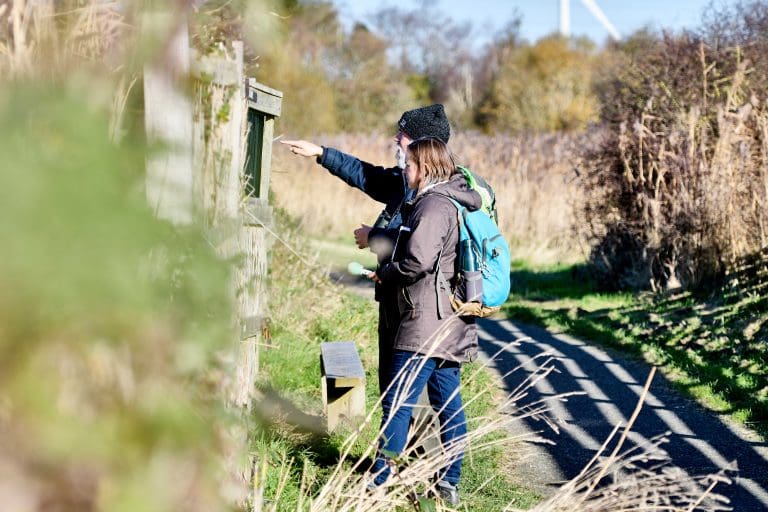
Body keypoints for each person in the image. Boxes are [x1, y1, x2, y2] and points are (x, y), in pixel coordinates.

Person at [280, 104, 452, 395]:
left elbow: (419, 248)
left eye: (403, 134)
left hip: (415, 305)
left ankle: (403, 439)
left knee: (406, 391)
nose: (396, 139)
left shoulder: (434, 196)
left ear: (424, 144)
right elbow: (366, 175)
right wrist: (321, 153)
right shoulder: (405, 181)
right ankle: (406, 437)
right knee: (410, 388)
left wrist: (375, 236)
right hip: (395, 293)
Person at [368, 137, 481, 505]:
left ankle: (380, 480)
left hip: (424, 323)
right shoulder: (450, 200)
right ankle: (450, 481)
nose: (405, 169)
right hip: (448, 322)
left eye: (411, 165)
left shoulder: (433, 206)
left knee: (398, 402)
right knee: (448, 403)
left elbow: (417, 261)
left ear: (427, 168)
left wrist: (387, 273)